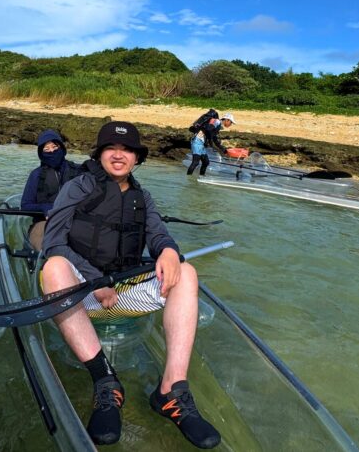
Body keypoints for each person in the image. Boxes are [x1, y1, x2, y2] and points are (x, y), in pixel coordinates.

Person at [41, 121, 221, 448]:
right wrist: (95, 280)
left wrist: (168, 250)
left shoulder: (143, 197)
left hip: (123, 291)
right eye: (112, 148)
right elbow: (52, 243)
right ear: (99, 154)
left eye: (127, 150)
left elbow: (158, 234)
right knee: (53, 268)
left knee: (187, 272)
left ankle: (171, 390)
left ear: (137, 158)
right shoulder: (78, 187)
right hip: (83, 292)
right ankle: (105, 381)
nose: (119, 155)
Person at [21, 129, 79, 250]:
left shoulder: (78, 171)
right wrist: (44, 208)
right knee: (46, 246)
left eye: (54, 146)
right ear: (41, 153)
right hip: (43, 223)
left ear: (62, 148)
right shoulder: (36, 175)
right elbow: (25, 205)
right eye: (46, 149)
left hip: (74, 222)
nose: (51, 151)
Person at [186, 112, 236, 177]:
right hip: (197, 141)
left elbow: (215, 139)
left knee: (206, 162)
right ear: (227, 120)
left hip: (201, 143)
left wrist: (224, 150)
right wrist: (210, 141)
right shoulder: (217, 122)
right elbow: (208, 129)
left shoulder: (218, 125)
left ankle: (202, 176)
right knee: (195, 162)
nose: (231, 124)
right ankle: (188, 178)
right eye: (231, 122)